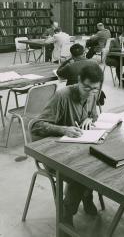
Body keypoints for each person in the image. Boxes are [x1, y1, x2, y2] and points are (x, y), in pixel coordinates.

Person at [31, 64, 104, 229]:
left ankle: (86, 196)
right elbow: (35, 126)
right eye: (86, 88)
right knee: (83, 174)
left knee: (100, 163)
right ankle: (66, 213)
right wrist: (63, 129)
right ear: (78, 81)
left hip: (78, 149)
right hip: (55, 154)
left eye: (95, 89)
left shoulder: (93, 92)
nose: (91, 92)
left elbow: (94, 114)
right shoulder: (62, 96)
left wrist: (90, 119)